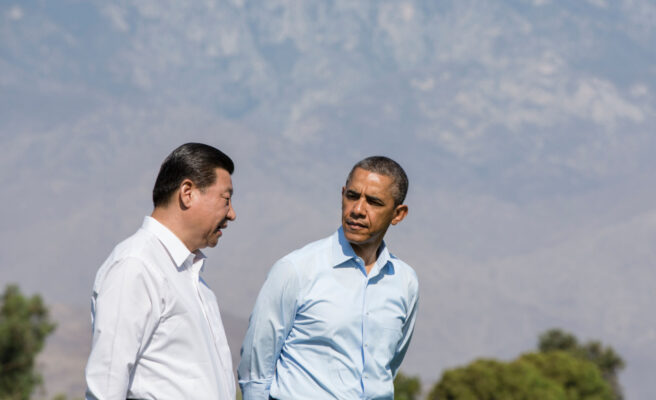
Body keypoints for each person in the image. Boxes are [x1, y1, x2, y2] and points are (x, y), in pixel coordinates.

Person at [238, 156, 419, 400]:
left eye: (374, 202)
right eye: (352, 196)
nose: (357, 210)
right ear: (342, 194)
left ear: (398, 214)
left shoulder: (404, 281)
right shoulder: (295, 270)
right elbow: (255, 371)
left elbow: (388, 366)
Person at [85, 143, 238, 399]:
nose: (232, 214)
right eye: (226, 199)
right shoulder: (136, 266)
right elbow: (106, 385)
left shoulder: (190, 276)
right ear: (187, 192)